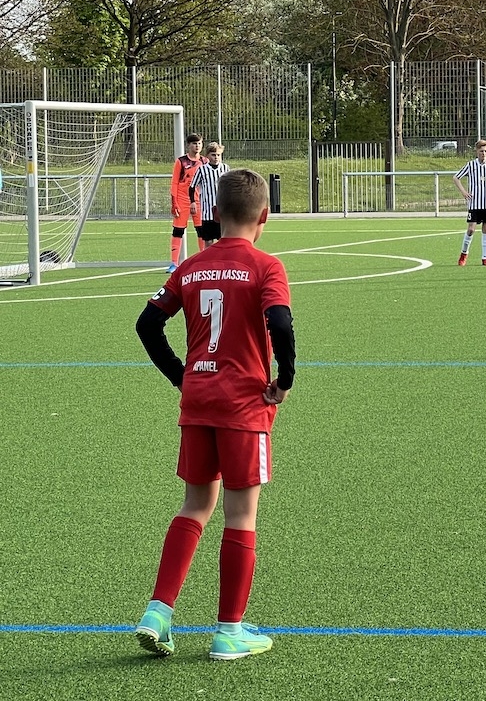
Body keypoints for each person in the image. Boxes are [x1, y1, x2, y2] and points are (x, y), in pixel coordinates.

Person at [133, 168, 296, 661]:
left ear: (214, 213)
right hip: (243, 407)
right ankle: (229, 632)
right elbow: (280, 322)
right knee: (240, 515)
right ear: (264, 216)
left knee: (194, 505)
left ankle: (157, 612)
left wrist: (182, 376)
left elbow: (147, 325)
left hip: (198, 401)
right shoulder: (267, 266)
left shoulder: (191, 266)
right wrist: (284, 379)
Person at [454, 139, 486, 267]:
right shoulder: (471, 165)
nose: (484, 153)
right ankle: (463, 254)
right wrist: (464, 192)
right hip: (474, 204)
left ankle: (485, 258)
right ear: (477, 151)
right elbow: (456, 177)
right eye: (481, 151)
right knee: (471, 229)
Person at [169, 133, 206, 272]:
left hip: (199, 201)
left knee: (202, 231)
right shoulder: (181, 161)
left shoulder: (205, 161)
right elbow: (174, 182)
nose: (197, 146)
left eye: (199, 143)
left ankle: (203, 260)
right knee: (178, 230)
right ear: (188, 145)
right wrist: (174, 202)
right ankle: (174, 263)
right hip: (182, 200)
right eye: (194, 143)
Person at [189, 143, 229, 250]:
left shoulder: (225, 168)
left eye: (218, 155)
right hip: (207, 212)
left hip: (222, 211)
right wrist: (192, 202)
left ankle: (222, 259)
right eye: (213, 155)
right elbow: (192, 187)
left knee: (223, 240)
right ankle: (209, 258)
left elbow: (230, 186)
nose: (216, 157)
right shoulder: (202, 170)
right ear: (207, 156)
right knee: (208, 241)